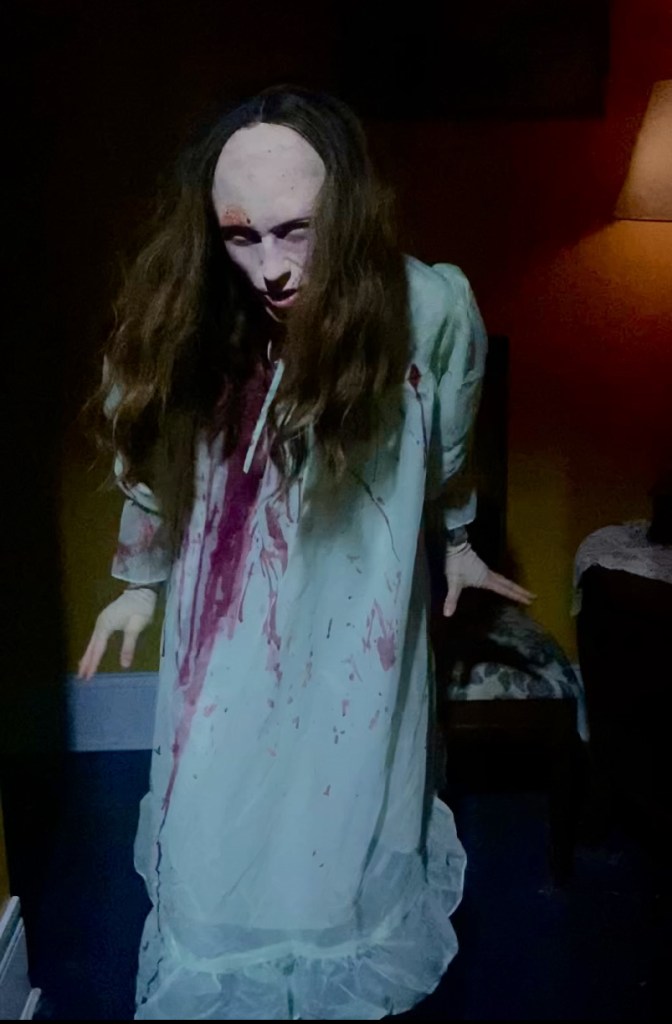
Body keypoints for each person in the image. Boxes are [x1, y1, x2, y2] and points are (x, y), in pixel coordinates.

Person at [78, 86, 533, 1021]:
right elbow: (148, 450)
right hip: (227, 614)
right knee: (221, 791)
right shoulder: (192, 307)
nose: (273, 269)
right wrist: (138, 582)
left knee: (346, 789)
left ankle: (331, 953)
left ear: (348, 210)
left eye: (297, 230)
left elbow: (444, 447)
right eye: (241, 237)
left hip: (359, 601)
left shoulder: (428, 306)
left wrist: (455, 541)